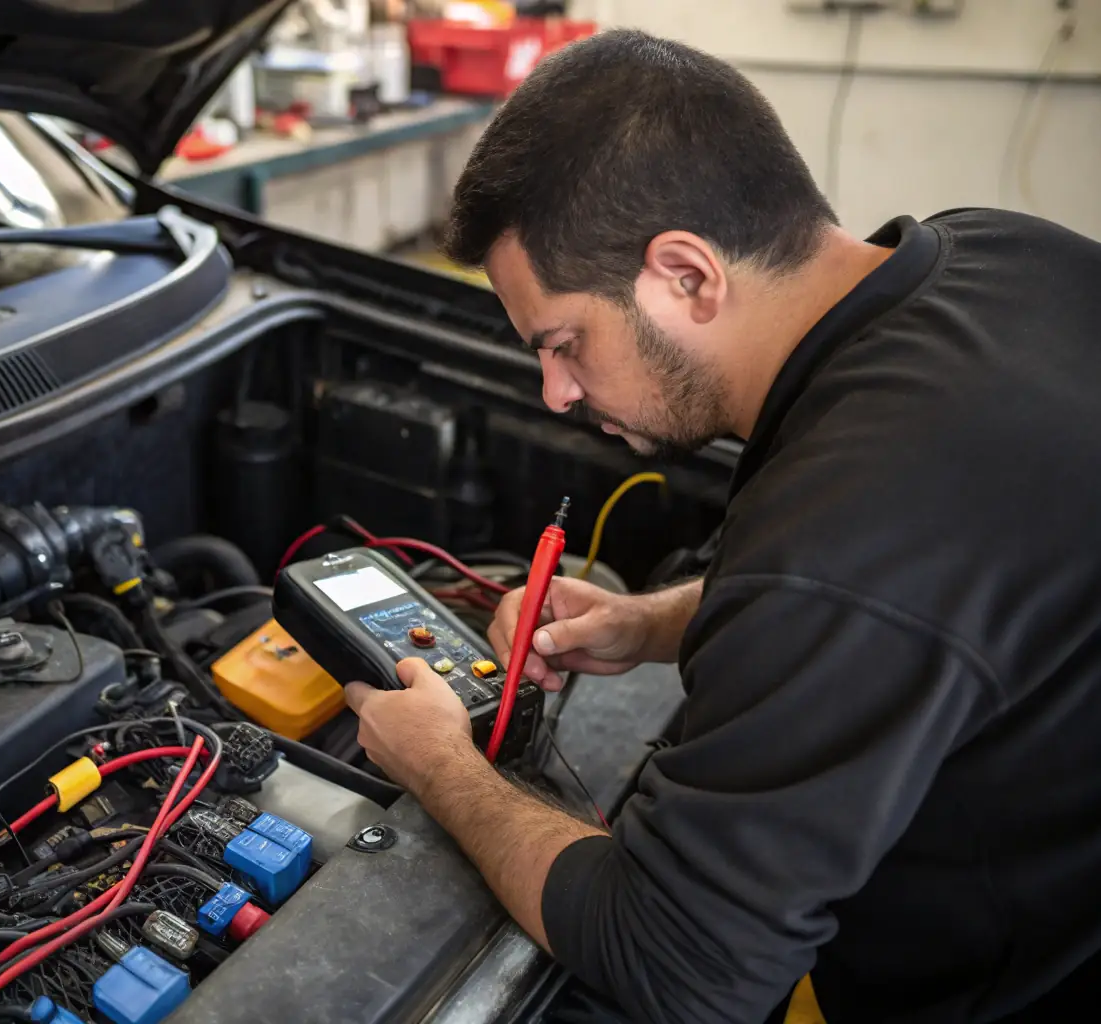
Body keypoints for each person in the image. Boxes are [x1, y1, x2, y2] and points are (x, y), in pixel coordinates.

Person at [341, 27, 1101, 1024]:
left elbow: (680, 964)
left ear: (689, 274)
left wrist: (443, 765)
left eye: (565, 343)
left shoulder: (843, 528)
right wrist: (654, 621)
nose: (555, 393)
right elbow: (938, 596)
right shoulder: (1002, 254)